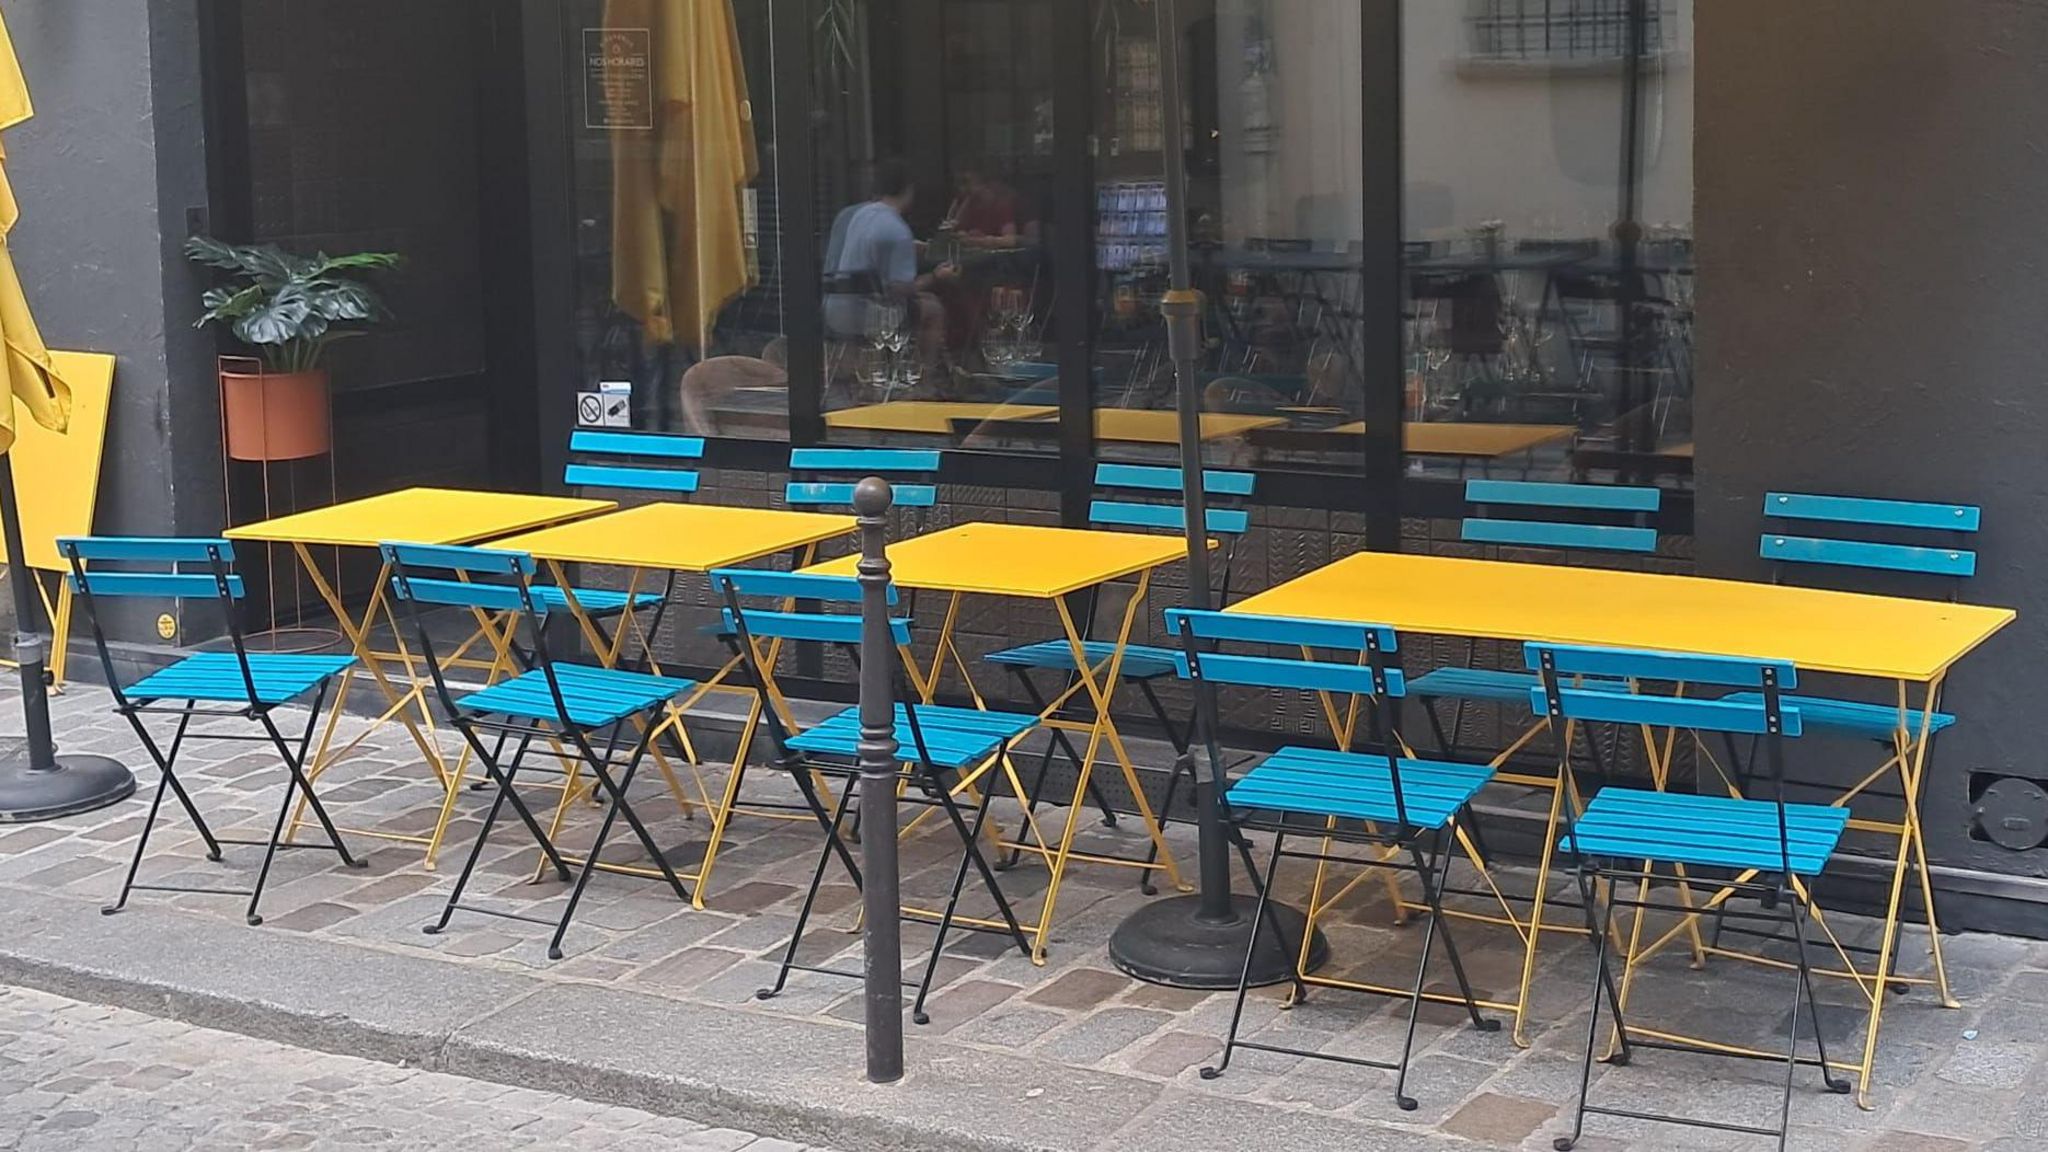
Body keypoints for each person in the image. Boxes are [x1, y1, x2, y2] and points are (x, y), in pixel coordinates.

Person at [823, 159, 953, 370]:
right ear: (909, 190)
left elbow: (870, 245)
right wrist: (936, 277)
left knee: (924, 299)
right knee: (934, 308)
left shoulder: (857, 215)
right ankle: (922, 379)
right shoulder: (898, 229)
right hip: (867, 317)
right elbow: (901, 290)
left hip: (836, 311)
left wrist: (907, 248)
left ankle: (890, 371)